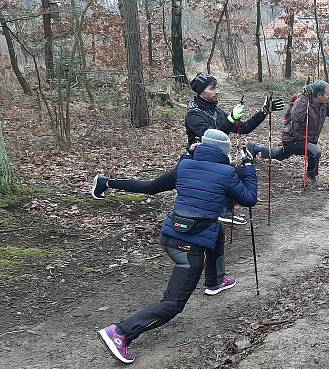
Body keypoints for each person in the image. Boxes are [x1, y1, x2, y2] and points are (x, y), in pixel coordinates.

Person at [97, 129, 258, 364]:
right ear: (225, 152)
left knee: (217, 231)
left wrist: (189, 153)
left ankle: (215, 281)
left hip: (171, 235)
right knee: (173, 304)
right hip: (187, 248)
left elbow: (154, 185)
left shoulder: (185, 165)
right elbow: (249, 198)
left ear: (200, 147)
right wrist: (249, 170)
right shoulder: (226, 173)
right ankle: (121, 332)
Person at [90, 73, 283, 224]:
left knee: (234, 173)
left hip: (211, 165)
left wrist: (263, 112)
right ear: (200, 92)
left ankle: (224, 209)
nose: (217, 92)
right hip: (192, 164)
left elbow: (243, 128)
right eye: (212, 88)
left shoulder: (216, 110)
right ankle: (106, 183)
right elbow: (211, 138)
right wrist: (230, 120)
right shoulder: (193, 114)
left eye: (217, 88)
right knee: (151, 188)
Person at [248, 80, 329, 188]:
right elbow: (297, 117)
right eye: (327, 94)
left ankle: (254, 148)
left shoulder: (323, 104)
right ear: (318, 95)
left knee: (279, 155)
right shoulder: (302, 102)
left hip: (306, 140)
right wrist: (304, 97)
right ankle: (310, 176)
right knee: (315, 151)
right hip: (292, 140)